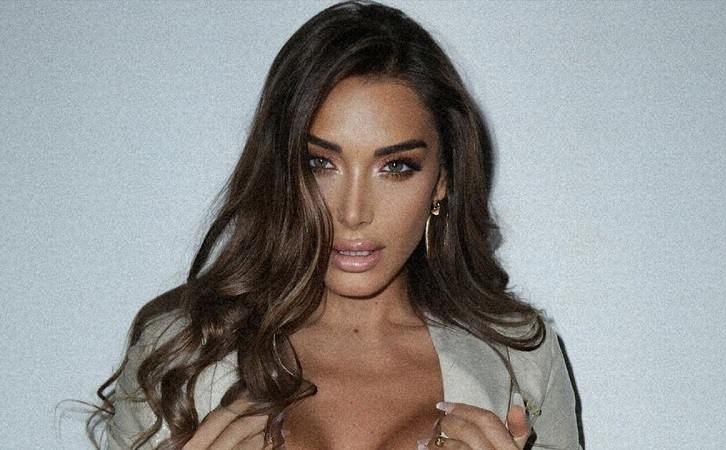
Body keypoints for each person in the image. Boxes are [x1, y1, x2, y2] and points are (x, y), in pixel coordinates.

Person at [87, 1, 580, 449]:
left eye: (396, 166)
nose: (353, 212)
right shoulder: (178, 355)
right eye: (320, 164)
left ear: (442, 180)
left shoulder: (520, 356)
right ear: (282, 170)